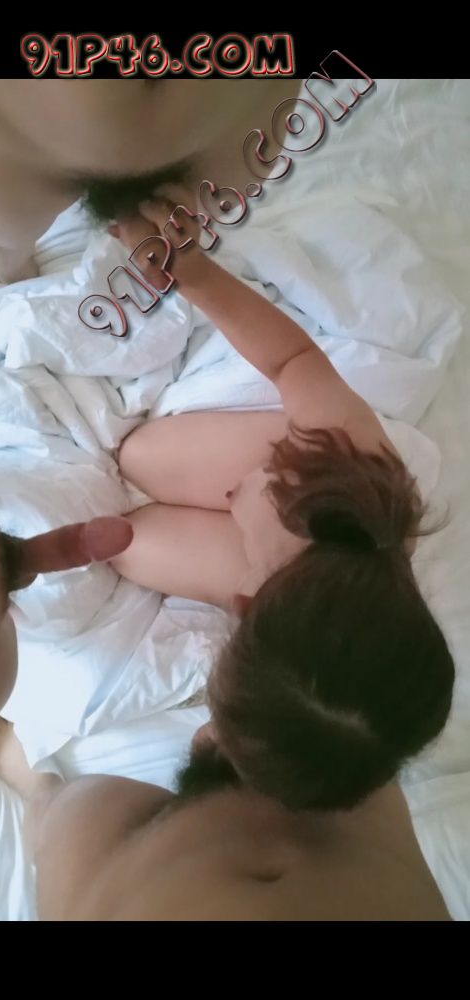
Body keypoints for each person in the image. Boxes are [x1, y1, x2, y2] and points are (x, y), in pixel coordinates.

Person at [103, 203, 455, 814]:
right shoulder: (346, 461)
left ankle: (251, 524)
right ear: (246, 608)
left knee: (125, 544)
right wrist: (193, 272)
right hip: (301, 478)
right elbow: (292, 361)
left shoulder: (277, 610)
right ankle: (252, 497)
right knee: (137, 458)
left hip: (285, 554)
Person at [0, 533, 451, 920]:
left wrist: (41, 792)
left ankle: (29, 778)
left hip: (133, 875)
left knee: (55, 805)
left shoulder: (90, 829)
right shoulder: (370, 738)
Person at [0, 78, 302, 284]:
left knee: (9, 240)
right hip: (223, 140)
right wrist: (199, 281)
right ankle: (13, 267)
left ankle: (12, 265)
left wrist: (199, 281)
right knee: (9, 244)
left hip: (221, 138)